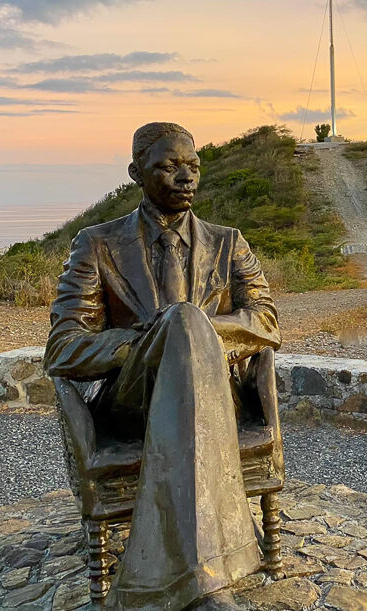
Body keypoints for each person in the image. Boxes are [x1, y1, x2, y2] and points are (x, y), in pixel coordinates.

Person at [45, 122, 281, 610]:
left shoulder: (227, 242)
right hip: (135, 402)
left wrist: (188, 331)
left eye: (193, 166)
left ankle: (189, 582)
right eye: (169, 166)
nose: (186, 176)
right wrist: (157, 338)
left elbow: (265, 322)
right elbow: (64, 348)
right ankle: (208, 585)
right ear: (136, 172)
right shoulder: (97, 244)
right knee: (179, 324)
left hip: (219, 397)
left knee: (186, 323)